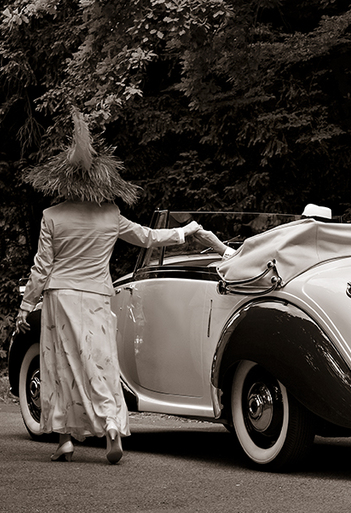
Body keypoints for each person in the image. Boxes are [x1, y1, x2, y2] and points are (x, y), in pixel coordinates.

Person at [14, 110, 215, 464]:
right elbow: (147, 237)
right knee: (100, 362)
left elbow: (42, 267)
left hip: (60, 298)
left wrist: (25, 306)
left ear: (65, 181)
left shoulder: (52, 216)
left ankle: (64, 439)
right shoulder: (110, 215)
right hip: (96, 295)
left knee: (61, 366)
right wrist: (184, 232)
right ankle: (110, 423)